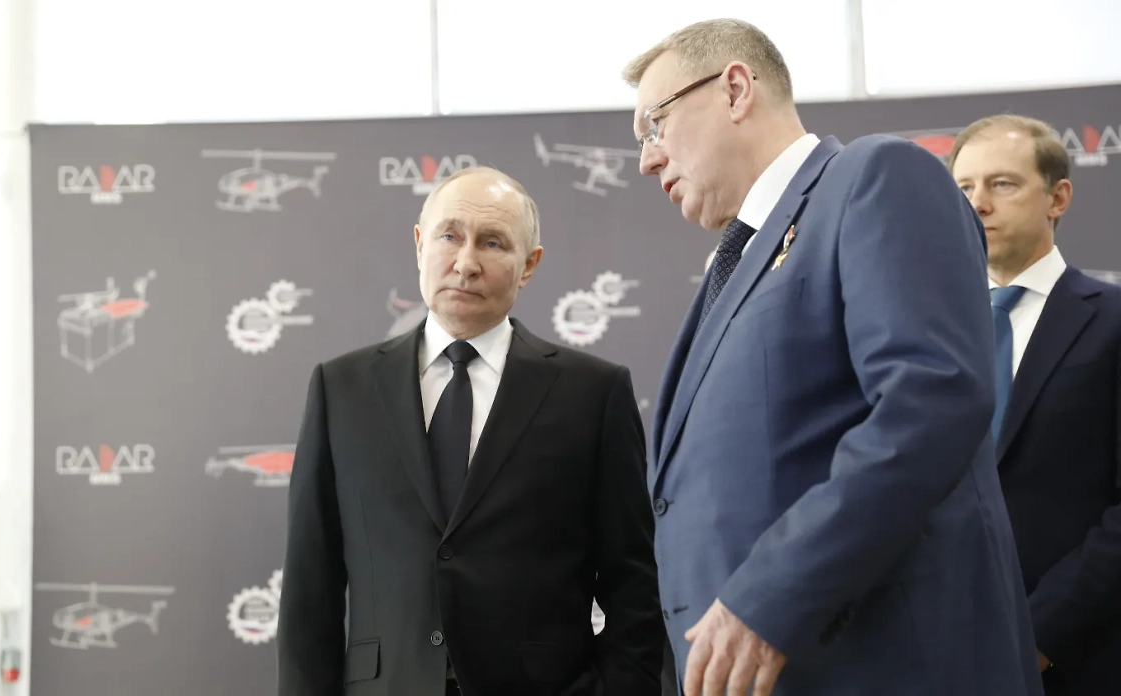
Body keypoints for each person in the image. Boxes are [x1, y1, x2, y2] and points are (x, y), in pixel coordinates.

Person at [622, 19, 1043, 696]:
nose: (648, 159)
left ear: (735, 89)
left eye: (655, 124)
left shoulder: (876, 177)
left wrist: (771, 594)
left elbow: (929, 399)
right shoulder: (736, 261)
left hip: (881, 667)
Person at [275, 166, 666, 696]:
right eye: (450, 236)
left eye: (493, 243)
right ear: (420, 244)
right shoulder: (340, 389)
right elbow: (309, 589)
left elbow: (634, 583)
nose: (465, 263)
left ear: (529, 265)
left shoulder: (594, 394)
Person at [949, 113, 1121, 695]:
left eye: (1002, 184)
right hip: (943, 652)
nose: (978, 204)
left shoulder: (1112, 322)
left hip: (1075, 658)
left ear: (1058, 198)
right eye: (965, 188)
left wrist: (1039, 637)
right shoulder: (925, 330)